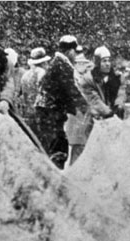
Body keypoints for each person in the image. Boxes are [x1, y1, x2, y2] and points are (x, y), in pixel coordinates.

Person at [34, 35, 89, 169]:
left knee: (56, 145)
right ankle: (53, 178)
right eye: (75, 51)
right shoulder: (62, 65)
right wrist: (86, 107)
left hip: (47, 113)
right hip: (50, 114)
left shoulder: (57, 64)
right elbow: (71, 91)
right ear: (69, 51)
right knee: (57, 148)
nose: (76, 55)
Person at [72, 46, 126, 165]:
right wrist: (108, 112)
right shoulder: (87, 79)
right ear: (97, 62)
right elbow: (94, 99)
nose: (107, 64)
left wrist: (118, 105)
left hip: (114, 116)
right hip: (96, 118)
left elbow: (121, 91)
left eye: (109, 60)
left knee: (117, 149)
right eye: (104, 61)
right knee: (95, 151)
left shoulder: (117, 76)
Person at [19, 47, 50, 129]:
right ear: (43, 62)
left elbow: (24, 94)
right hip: (41, 112)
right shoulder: (42, 73)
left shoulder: (25, 75)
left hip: (28, 111)